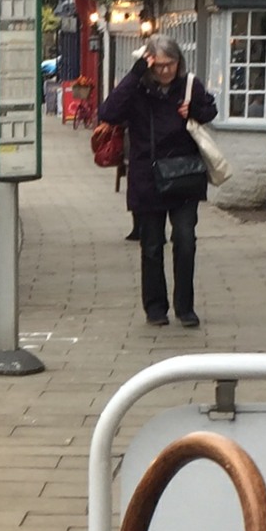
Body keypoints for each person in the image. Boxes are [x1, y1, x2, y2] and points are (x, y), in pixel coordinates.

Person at [98, 35, 217, 327]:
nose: (165, 71)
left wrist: (195, 112)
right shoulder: (137, 89)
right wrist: (136, 72)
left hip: (184, 175)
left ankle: (185, 307)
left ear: (179, 62)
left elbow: (209, 111)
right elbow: (109, 112)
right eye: (159, 65)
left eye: (171, 64)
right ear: (149, 63)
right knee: (151, 245)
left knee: (185, 241)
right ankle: (155, 308)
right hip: (147, 177)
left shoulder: (189, 85)